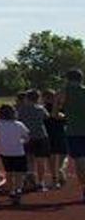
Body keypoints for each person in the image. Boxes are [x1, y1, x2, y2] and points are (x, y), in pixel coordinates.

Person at [57, 69, 85, 202]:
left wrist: (64, 114)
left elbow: (55, 113)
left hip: (73, 131)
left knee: (79, 162)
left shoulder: (64, 92)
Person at [0, 104, 30, 205]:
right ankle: (18, 190)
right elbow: (27, 137)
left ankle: (11, 191)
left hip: (4, 152)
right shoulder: (18, 124)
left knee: (9, 172)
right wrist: (21, 142)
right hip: (18, 151)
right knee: (19, 173)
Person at [18, 89, 51, 192]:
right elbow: (47, 117)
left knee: (29, 159)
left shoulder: (21, 109)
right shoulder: (41, 109)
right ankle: (41, 182)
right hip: (41, 136)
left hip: (27, 137)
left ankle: (29, 179)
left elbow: (18, 119)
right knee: (40, 161)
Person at [43, 89, 69, 188]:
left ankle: (54, 178)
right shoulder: (61, 108)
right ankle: (61, 169)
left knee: (51, 157)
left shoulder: (43, 109)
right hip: (61, 133)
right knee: (64, 154)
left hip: (49, 134)